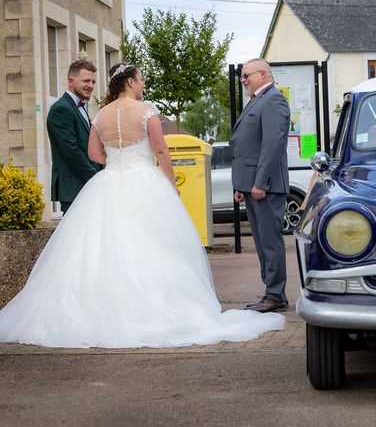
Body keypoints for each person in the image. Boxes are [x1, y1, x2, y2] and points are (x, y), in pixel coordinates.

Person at [0, 63, 285, 348]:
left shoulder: (101, 114)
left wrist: (117, 160)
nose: (144, 83)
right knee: (154, 243)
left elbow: (93, 153)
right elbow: (160, 149)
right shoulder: (146, 110)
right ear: (131, 82)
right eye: (141, 79)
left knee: (105, 247)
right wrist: (169, 182)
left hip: (110, 181)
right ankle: (159, 306)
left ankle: (103, 308)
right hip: (144, 181)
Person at [230, 59, 290, 313]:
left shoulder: (273, 99)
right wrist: (241, 186)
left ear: (263, 74)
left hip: (265, 186)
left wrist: (260, 183)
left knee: (270, 242)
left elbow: (272, 145)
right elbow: (246, 146)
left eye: (246, 75)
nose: (243, 80)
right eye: (242, 76)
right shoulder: (257, 100)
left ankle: (276, 294)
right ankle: (272, 292)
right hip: (251, 186)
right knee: (262, 241)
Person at [46, 60, 102, 213]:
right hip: (74, 187)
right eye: (86, 81)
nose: (90, 85)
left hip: (86, 185)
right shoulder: (61, 109)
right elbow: (71, 151)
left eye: (93, 81)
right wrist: (95, 178)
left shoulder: (80, 107)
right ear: (71, 81)